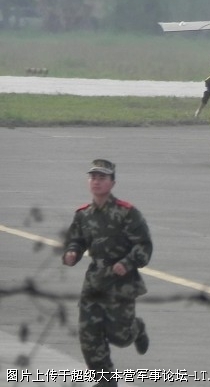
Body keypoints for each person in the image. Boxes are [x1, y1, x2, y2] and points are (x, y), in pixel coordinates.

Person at [62, 159, 152, 384]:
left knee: (119, 337)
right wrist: (72, 253)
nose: (96, 182)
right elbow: (76, 240)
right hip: (94, 282)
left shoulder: (127, 213)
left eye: (102, 178)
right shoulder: (83, 214)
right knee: (88, 333)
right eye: (93, 177)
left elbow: (144, 245)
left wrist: (128, 262)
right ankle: (104, 378)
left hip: (122, 282)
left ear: (112, 183)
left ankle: (136, 328)